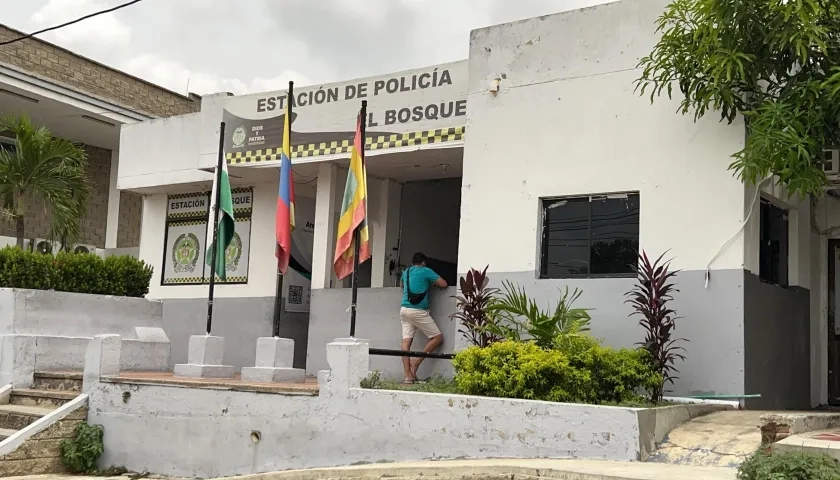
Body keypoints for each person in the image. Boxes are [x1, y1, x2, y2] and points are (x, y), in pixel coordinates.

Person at [399, 252, 447, 384]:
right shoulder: (426, 271)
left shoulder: (406, 272)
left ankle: (408, 376)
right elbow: (443, 284)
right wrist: (430, 283)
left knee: (405, 343)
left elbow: (402, 286)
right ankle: (416, 363)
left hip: (404, 310)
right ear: (424, 262)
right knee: (438, 338)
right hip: (418, 311)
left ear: (413, 262)